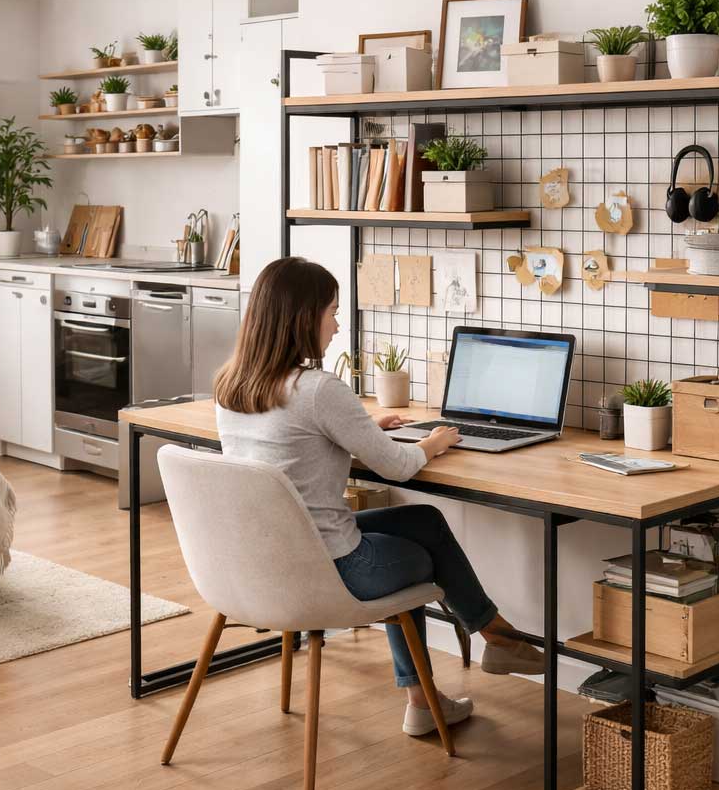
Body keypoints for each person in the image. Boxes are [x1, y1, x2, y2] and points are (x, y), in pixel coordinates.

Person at [213, 256, 545, 737]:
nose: (337, 324)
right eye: (331, 312)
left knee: (425, 521)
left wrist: (363, 428)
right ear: (302, 318)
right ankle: (473, 657)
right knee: (411, 559)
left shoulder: (233, 384)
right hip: (329, 571)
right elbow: (396, 466)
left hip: (263, 563)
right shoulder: (319, 390)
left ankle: (487, 645)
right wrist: (434, 442)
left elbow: (295, 441)